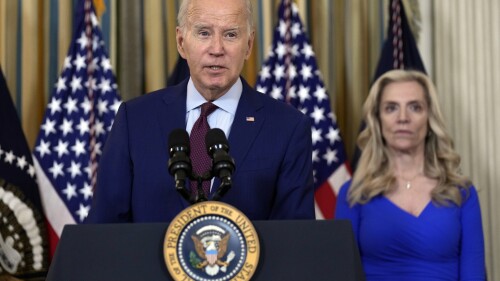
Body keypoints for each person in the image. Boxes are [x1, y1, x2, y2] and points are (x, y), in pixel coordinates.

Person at [85, 0, 314, 223]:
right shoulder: (134, 120)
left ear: (249, 45)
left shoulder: (288, 128)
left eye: (231, 34)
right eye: (204, 33)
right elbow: (104, 233)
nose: (217, 49)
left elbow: (294, 244)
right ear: (181, 42)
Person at [335, 70, 486, 280]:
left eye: (415, 107)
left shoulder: (461, 193)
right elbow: (342, 275)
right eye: (391, 108)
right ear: (377, 120)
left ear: (430, 118)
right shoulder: (354, 193)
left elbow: (474, 275)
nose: (403, 118)